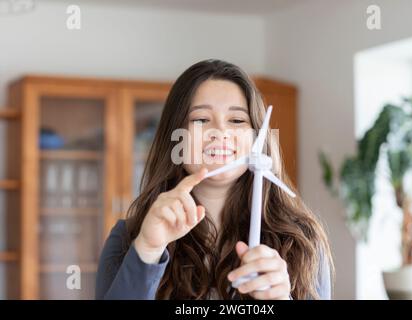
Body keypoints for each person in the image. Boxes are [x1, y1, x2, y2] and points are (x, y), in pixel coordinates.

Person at [95, 59, 333, 300]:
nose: (220, 131)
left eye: (237, 120)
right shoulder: (128, 238)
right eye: (201, 119)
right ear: (175, 136)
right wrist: (147, 251)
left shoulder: (302, 242)